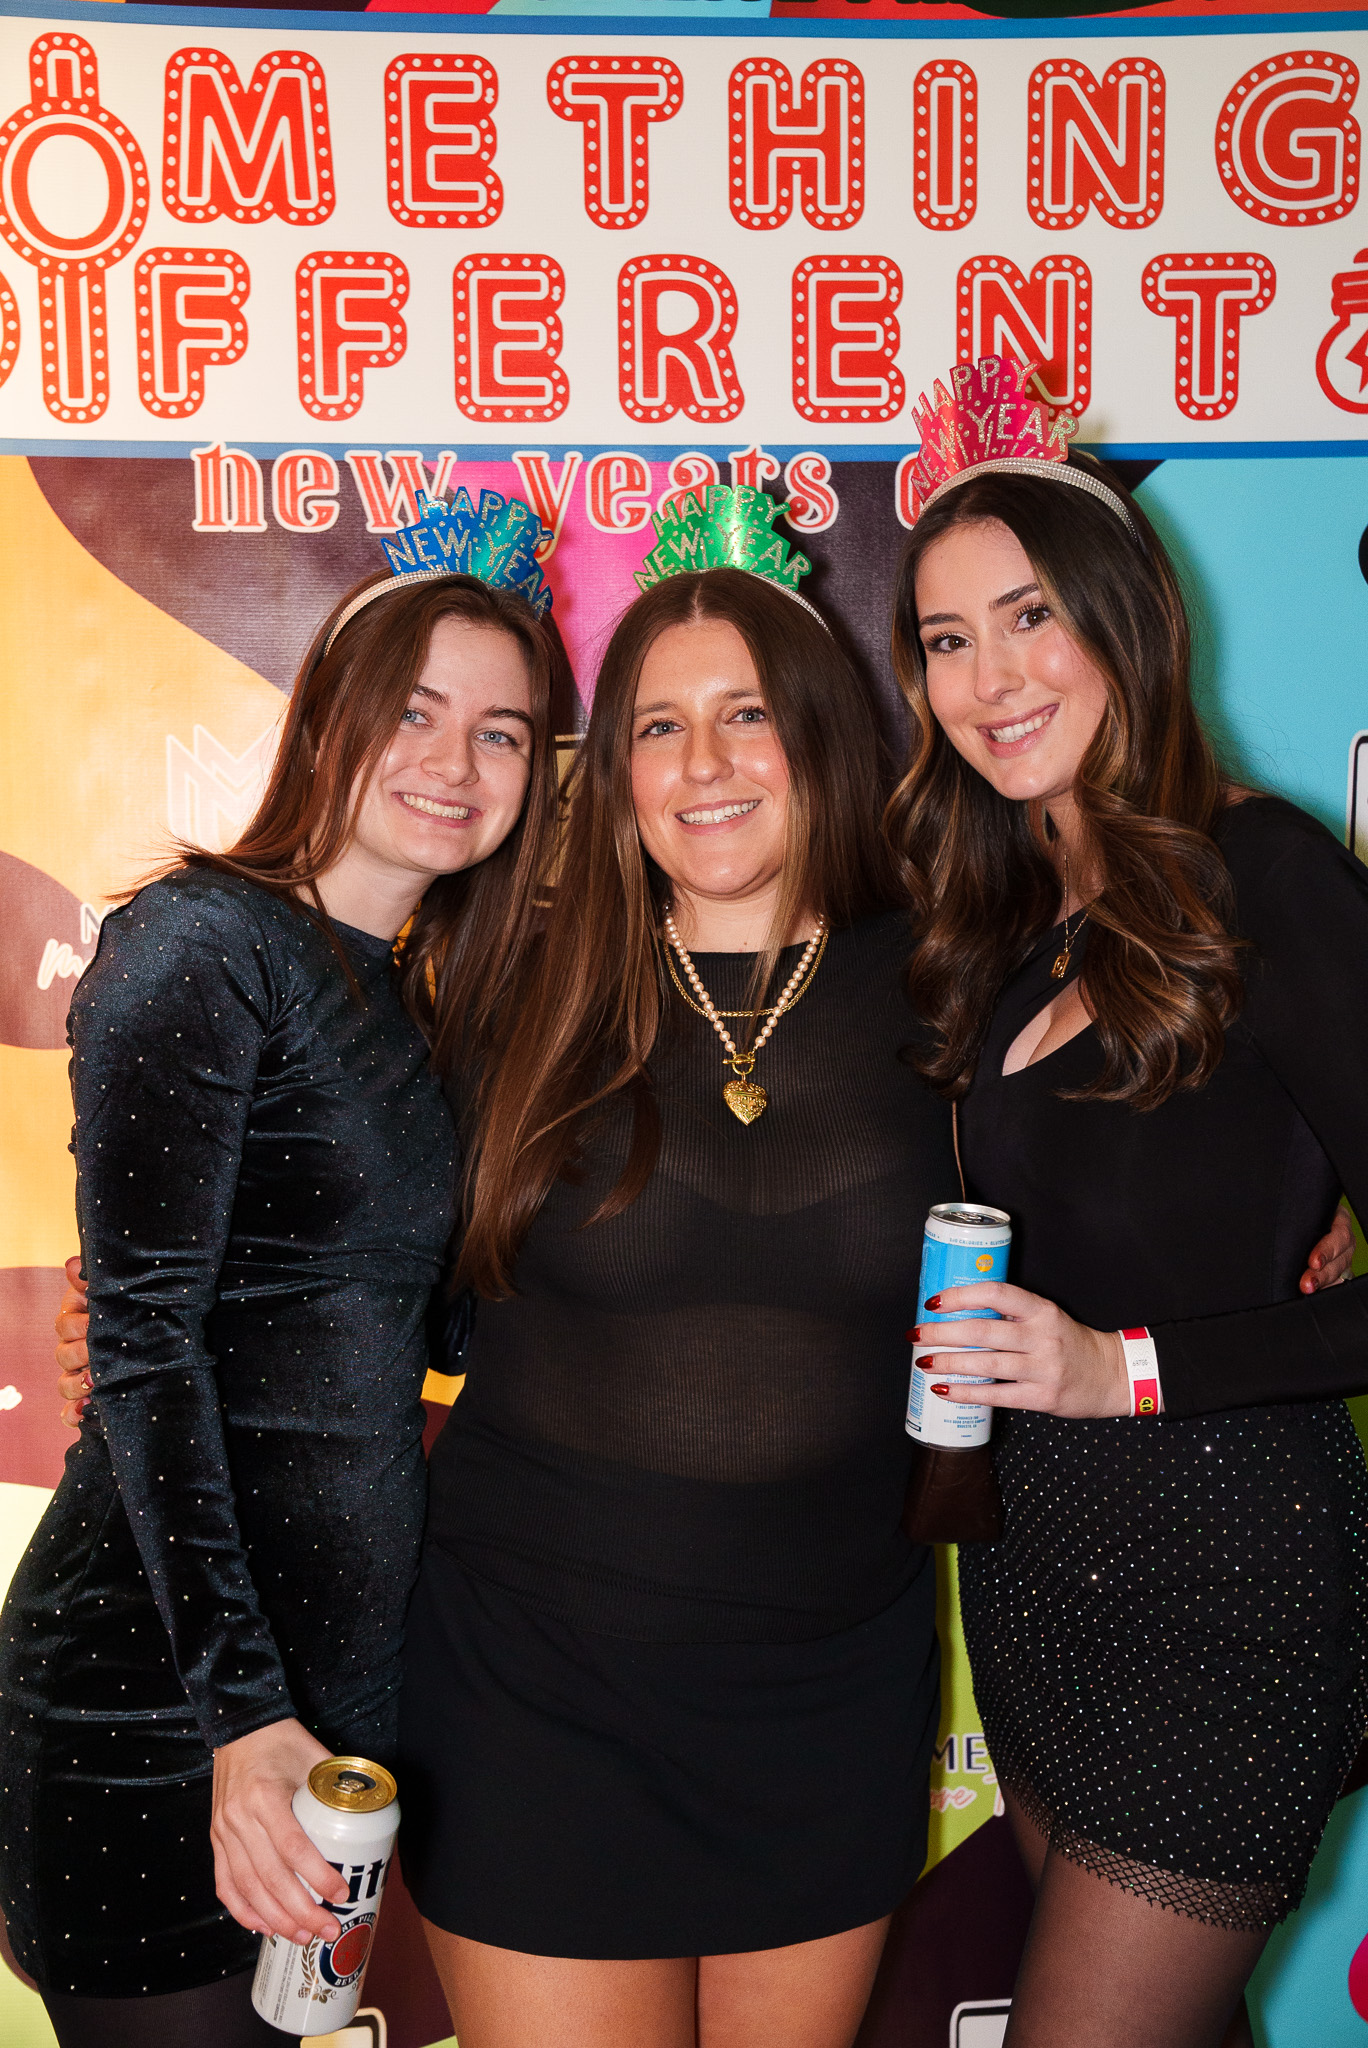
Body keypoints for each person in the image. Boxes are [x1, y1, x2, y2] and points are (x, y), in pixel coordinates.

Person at [0, 494, 562, 2048]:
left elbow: (427, 1329)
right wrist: (242, 1719)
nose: (455, 763)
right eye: (417, 712)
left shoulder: (417, 1015)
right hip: (163, 1695)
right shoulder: (206, 942)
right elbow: (146, 1350)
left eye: (503, 734)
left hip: (335, 1701)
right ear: (327, 720)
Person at [392, 485, 951, 2048]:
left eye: (745, 715)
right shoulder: (522, 989)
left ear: (822, 733)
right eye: (656, 727)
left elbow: (1124, 1195)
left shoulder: (953, 986)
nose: (702, 765)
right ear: (614, 768)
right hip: (535, 1695)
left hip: (830, 1692)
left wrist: (1288, 1225)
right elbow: (371, 1276)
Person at [886, 357, 1368, 2048]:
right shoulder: (1009, 927)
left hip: (1230, 1593)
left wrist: (1128, 1367)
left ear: (1127, 615)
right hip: (1035, 1590)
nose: (993, 679)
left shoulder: (1271, 873)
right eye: (948, 639)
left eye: (1031, 617)